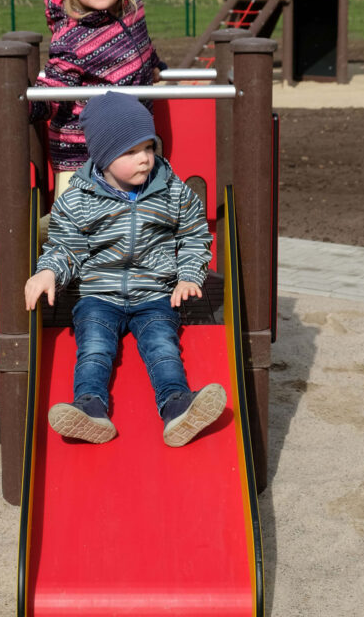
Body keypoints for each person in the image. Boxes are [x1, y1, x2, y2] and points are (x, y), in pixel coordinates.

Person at [24, 90, 227, 448]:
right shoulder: (79, 200)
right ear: (102, 156)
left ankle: (177, 407)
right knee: (94, 348)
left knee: (162, 345)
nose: (145, 159)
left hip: (154, 293)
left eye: (149, 147)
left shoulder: (172, 192)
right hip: (98, 295)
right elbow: (66, 247)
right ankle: (90, 409)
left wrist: (189, 275)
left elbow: (194, 235)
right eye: (130, 152)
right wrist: (49, 272)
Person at [30, 0, 165, 200]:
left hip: (131, 143)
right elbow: (57, 81)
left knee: (131, 217)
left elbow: (142, 45)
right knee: (77, 219)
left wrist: (155, 65)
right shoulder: (72, 35)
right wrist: (36, 103)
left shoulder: (132, 12)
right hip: (82, 151)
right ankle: (59, 232)